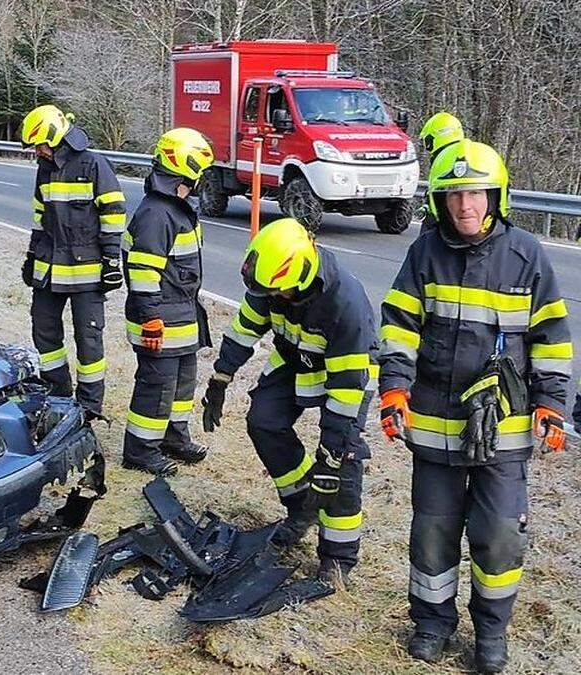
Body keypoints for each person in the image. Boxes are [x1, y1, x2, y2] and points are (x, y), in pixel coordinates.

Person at [377, 140, 571, 673]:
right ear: (441, 201)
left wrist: (552, 404)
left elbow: (552, 339)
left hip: (504, 433)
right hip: (436, 429)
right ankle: (432, 624)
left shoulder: (527, 256)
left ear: (496, 195)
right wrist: (394, 388)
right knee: (433, 532)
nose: (467, 205)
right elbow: (398, 328)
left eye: (477, 193)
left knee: (500, 535)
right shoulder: (424, 253)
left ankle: (491, 634)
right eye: (456, 194)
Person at [200, 218, 376, 584]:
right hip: (295, 358)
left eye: (276, 293)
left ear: (299, 279)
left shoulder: (346, 305)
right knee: (263, 421)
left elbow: (345, 393)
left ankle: (338, 556)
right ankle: (301, 509)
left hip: (345, 374)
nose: (270, 299)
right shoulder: (271, 283)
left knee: (342, 460)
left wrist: (330, 454)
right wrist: (221, 377)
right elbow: (245, 328)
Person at [20, 104, 126, 417]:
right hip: (50, 268)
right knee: (44, 331)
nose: (37, 152)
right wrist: (31, 254)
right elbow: (40, 216)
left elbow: (114, 212)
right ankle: (58, 395)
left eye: (39, 145)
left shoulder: (93, 164)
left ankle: (90, 407)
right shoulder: (45, 168)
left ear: (54, 139)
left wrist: (111, 260)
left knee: (88, 340)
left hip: (87, 271)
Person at [121, 128, 215, 476]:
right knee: (156, 386)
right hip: (159, 317)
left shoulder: (177, 207)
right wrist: (151, 319)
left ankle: (173, 438)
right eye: (201, 170)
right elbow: (143, 272)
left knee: (181, 384)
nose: (204, 177)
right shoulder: (157, 214)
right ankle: (140, 451)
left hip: (181, 313)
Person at [417, 112, 467, 232]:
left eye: (428, 141)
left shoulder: (444, 159)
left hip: (443, 218)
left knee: (425, 246)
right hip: (460, 219)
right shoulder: (467, 153)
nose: (427, 147)